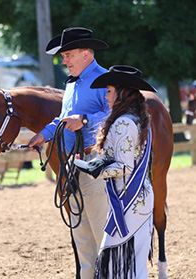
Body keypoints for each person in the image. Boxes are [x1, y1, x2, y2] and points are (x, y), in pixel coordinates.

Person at [28, 27, 110, 278]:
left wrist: (84, 120)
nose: (64, 61)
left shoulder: (105, 80)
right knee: (80, 231)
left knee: (100, 229)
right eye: (63, 56)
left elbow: (114, 116)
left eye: (69, 55)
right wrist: (44, 134)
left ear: (86, 53)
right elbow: (63, 119)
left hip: (94, 161)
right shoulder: (72, 84)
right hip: (70, 164)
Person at [74, 65, 156, 278]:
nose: (106, 96)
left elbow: (125, 167)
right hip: (134, 197)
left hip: (128, 200)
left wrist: (94, 169)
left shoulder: (123, 123)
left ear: (123, 93)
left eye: (109, 91)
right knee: (132, 263)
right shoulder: (135, 119)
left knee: (117, 262)